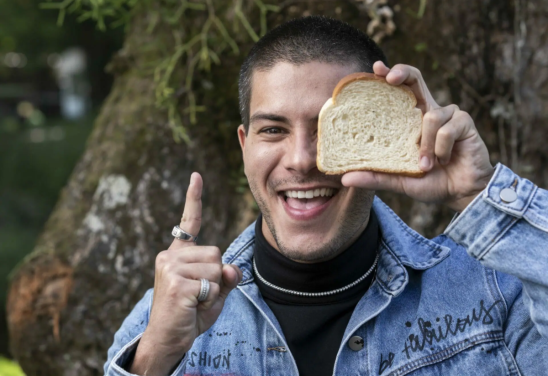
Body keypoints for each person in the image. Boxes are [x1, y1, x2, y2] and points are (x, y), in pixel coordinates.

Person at [104, 16, 548, 376]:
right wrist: (155, 359)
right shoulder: (163, 320)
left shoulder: (495, 291)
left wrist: (481, 193)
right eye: (273, 129)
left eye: (328, 129)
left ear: (378, 137)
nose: (300, 159)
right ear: (245, 147)